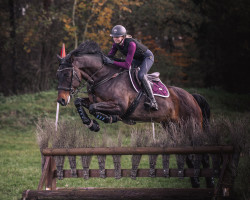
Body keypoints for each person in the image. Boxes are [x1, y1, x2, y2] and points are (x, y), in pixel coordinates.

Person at [103, 25, 158, 111]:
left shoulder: (131, 44)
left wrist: (112, 62)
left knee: (141, 75)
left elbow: (127, 65)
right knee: (123, 73)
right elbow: (110, 57)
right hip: (136, 59)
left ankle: (153, 101)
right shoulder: (115, 44)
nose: (115, 39)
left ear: (123, 36)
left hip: (147, 58)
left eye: (117, 37)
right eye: (114, 37)